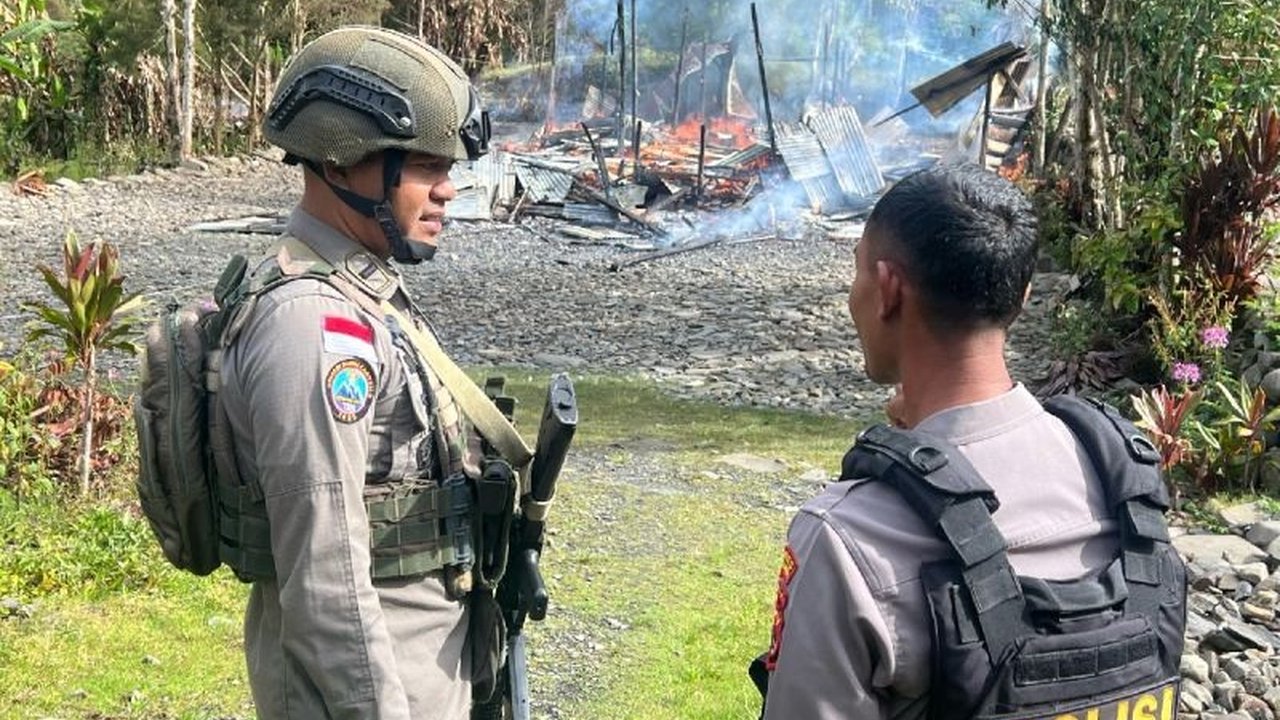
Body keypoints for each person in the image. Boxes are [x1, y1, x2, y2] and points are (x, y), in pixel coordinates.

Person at [759, 164, 1182, 718]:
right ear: (1022, 295)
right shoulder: (1131, 493)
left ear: (887, 289)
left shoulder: (849, 538)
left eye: (858, 272)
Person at [215, 26, 498, 719]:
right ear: (342, 166)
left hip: (415, 672)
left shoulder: (358, 293)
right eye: (426, 166)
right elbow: (327, 579)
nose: (447, 191)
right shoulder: (312, 326)